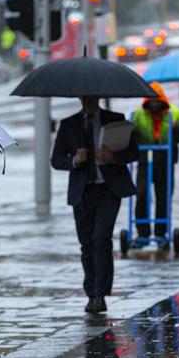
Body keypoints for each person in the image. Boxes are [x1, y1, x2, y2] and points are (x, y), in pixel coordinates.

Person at [51, 96, 138, 314]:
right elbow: (56, 159)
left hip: (108, 190)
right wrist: (74, 160)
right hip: (83, 192)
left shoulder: (115, 120)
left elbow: (135, 152)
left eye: (92, 97)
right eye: (85, 97)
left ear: (98, 97)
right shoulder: (69, 124)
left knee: (101, 238)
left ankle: (100, 295)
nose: (88, 101)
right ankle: (91, 293)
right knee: (87, 244)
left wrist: (114, 157)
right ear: (81, 99)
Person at [132, 82, 179, 248]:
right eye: (151, 101)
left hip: (165, 159)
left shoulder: (174, 113)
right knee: (141, 194)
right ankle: (142, 233)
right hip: (144, 159)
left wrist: (176, 129)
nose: (155, 104)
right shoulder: (138, 114)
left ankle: (161, 233)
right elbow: (131, 137)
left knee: (163, 197)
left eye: (157, 100)